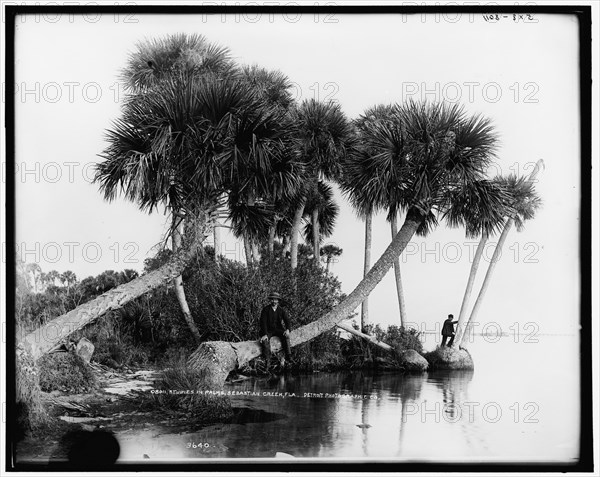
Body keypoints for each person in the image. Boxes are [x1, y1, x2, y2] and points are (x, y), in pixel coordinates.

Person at [259, 291, 293, 367]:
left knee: (286, 336)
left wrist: (288, 329)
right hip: (268, 330)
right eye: (272, 299)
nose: (274, 301)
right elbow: (262, 323)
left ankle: (289, 355)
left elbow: (287, 321)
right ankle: (267, 361)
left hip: (278, 329)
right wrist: (265, 334)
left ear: (278, 301)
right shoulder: (265, 310)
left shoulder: (281, 310)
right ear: (270, 300)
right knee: (265, 341)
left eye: (276, 300)